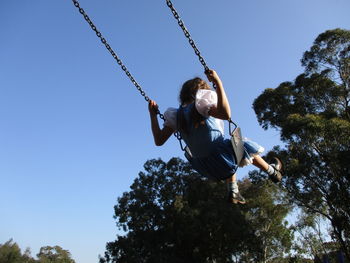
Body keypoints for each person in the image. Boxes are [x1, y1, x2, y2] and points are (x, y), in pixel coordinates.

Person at [148, 69, 282, 204]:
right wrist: (219, 83)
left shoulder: (175, 116)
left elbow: (159, 141)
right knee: (239, 145)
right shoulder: (201, 104)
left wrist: (153, 116)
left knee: (228, 148)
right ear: (202, 92)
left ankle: (233, 189)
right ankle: (272, 171)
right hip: (221, 157)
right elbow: (226, 114)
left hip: (205, 166)